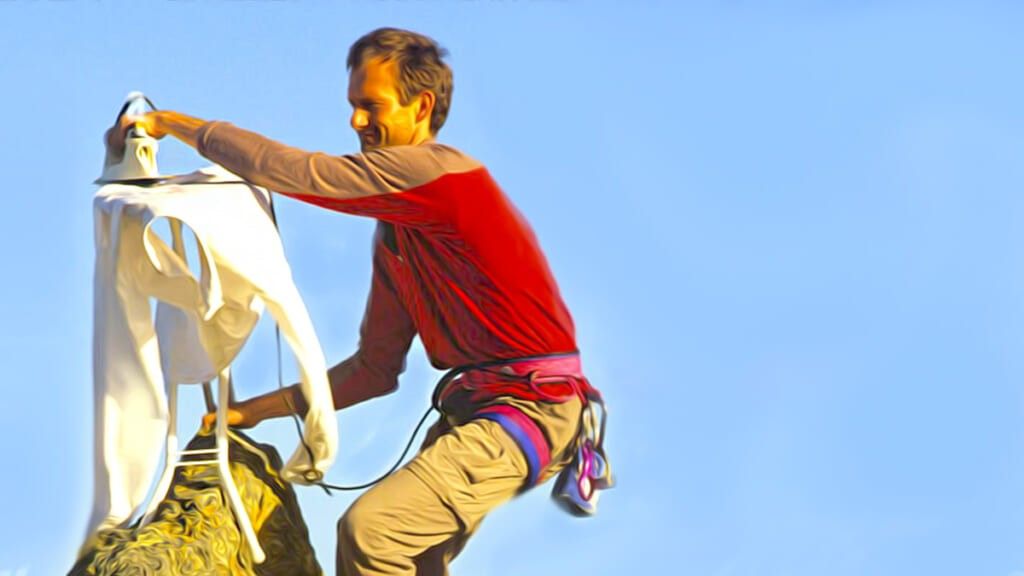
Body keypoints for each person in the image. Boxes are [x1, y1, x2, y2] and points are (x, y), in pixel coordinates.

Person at [107, 27, 607, 576]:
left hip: (532, 406)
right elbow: (372, 370)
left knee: (374, 532)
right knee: (414, 557)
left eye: (371, 106)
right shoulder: (399, 238)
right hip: (483, 409)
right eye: (352, 106)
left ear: (421, 106)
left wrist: (175, 124)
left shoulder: (440, 176)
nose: (356, 122)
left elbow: (303, 174)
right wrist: (247, 413)